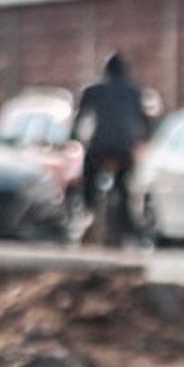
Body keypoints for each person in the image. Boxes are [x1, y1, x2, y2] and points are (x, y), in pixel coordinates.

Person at [72, 53, 153, 240]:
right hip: (124, 149)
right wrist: (143, 139)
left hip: (99, 146)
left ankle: (88, 212)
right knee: (125, 184)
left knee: (88, 177)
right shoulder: (135, 91)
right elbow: (145, 121)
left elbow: (80, 118)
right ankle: (127, 225)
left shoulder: (94, 90)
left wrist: (74, 137)